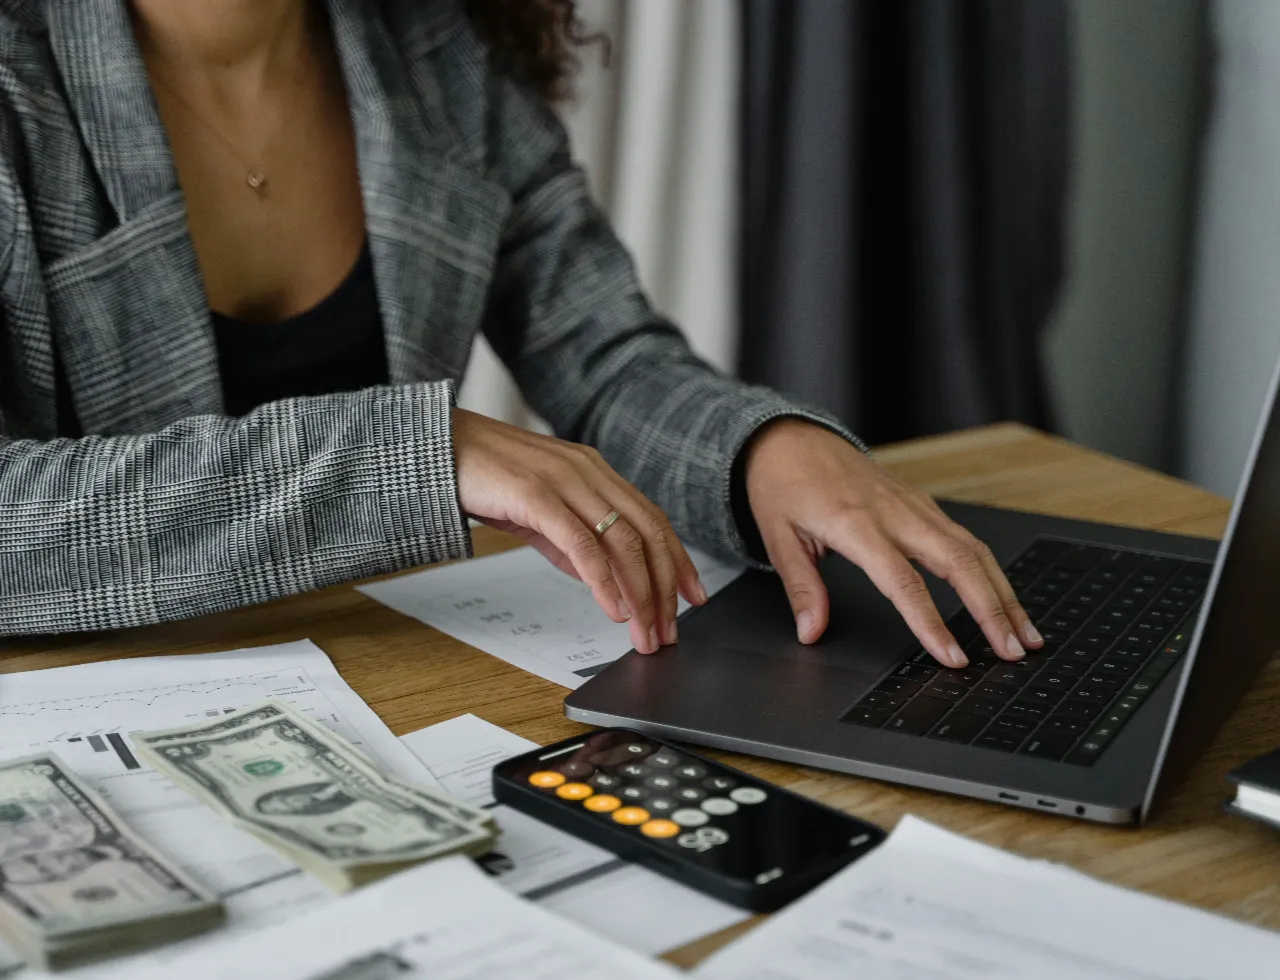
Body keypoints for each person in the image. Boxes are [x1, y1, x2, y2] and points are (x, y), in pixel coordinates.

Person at [0, 0, 1040, 669]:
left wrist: (761, 450)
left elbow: (605, 354)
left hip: (385, 673)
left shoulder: (440, 49)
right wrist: (419, 456)